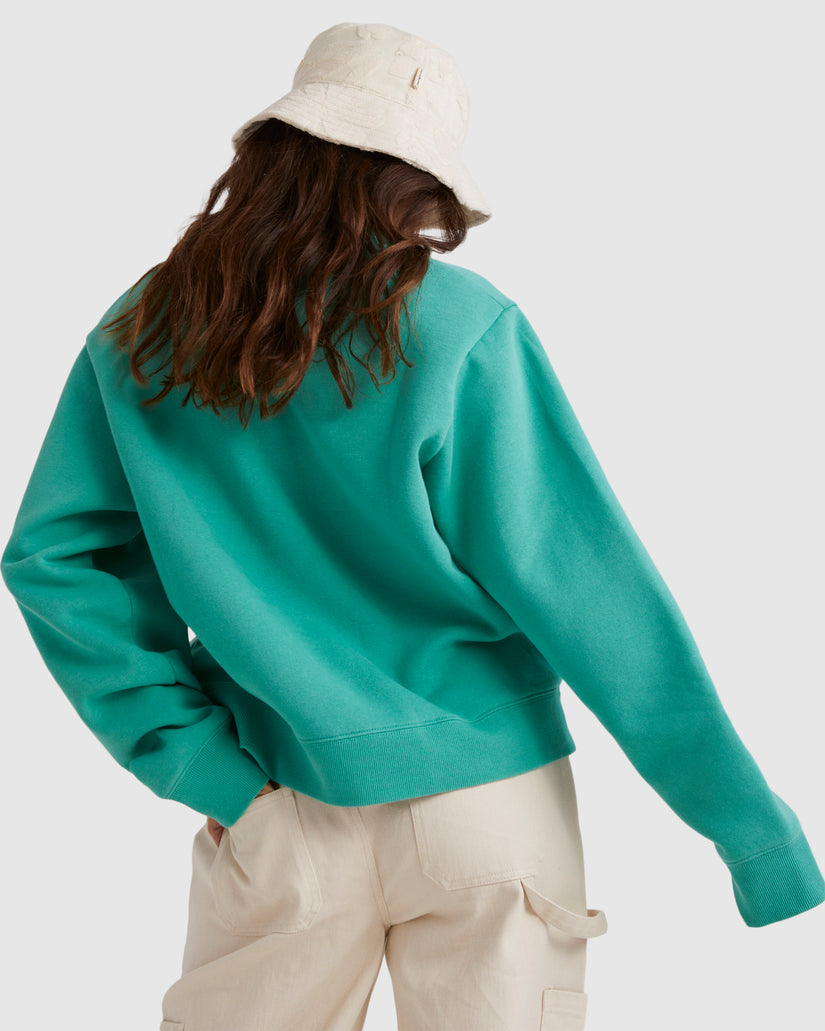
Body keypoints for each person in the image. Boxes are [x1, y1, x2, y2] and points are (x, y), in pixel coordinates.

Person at [2, 20, 823, 1031]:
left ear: (272, 157)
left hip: (278, 803)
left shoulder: (144, 333)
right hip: (489, 802)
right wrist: (754, 833)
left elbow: (55, 560)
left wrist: (206, 767)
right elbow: (596, 600)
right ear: (415, 182)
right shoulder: (459, 326)